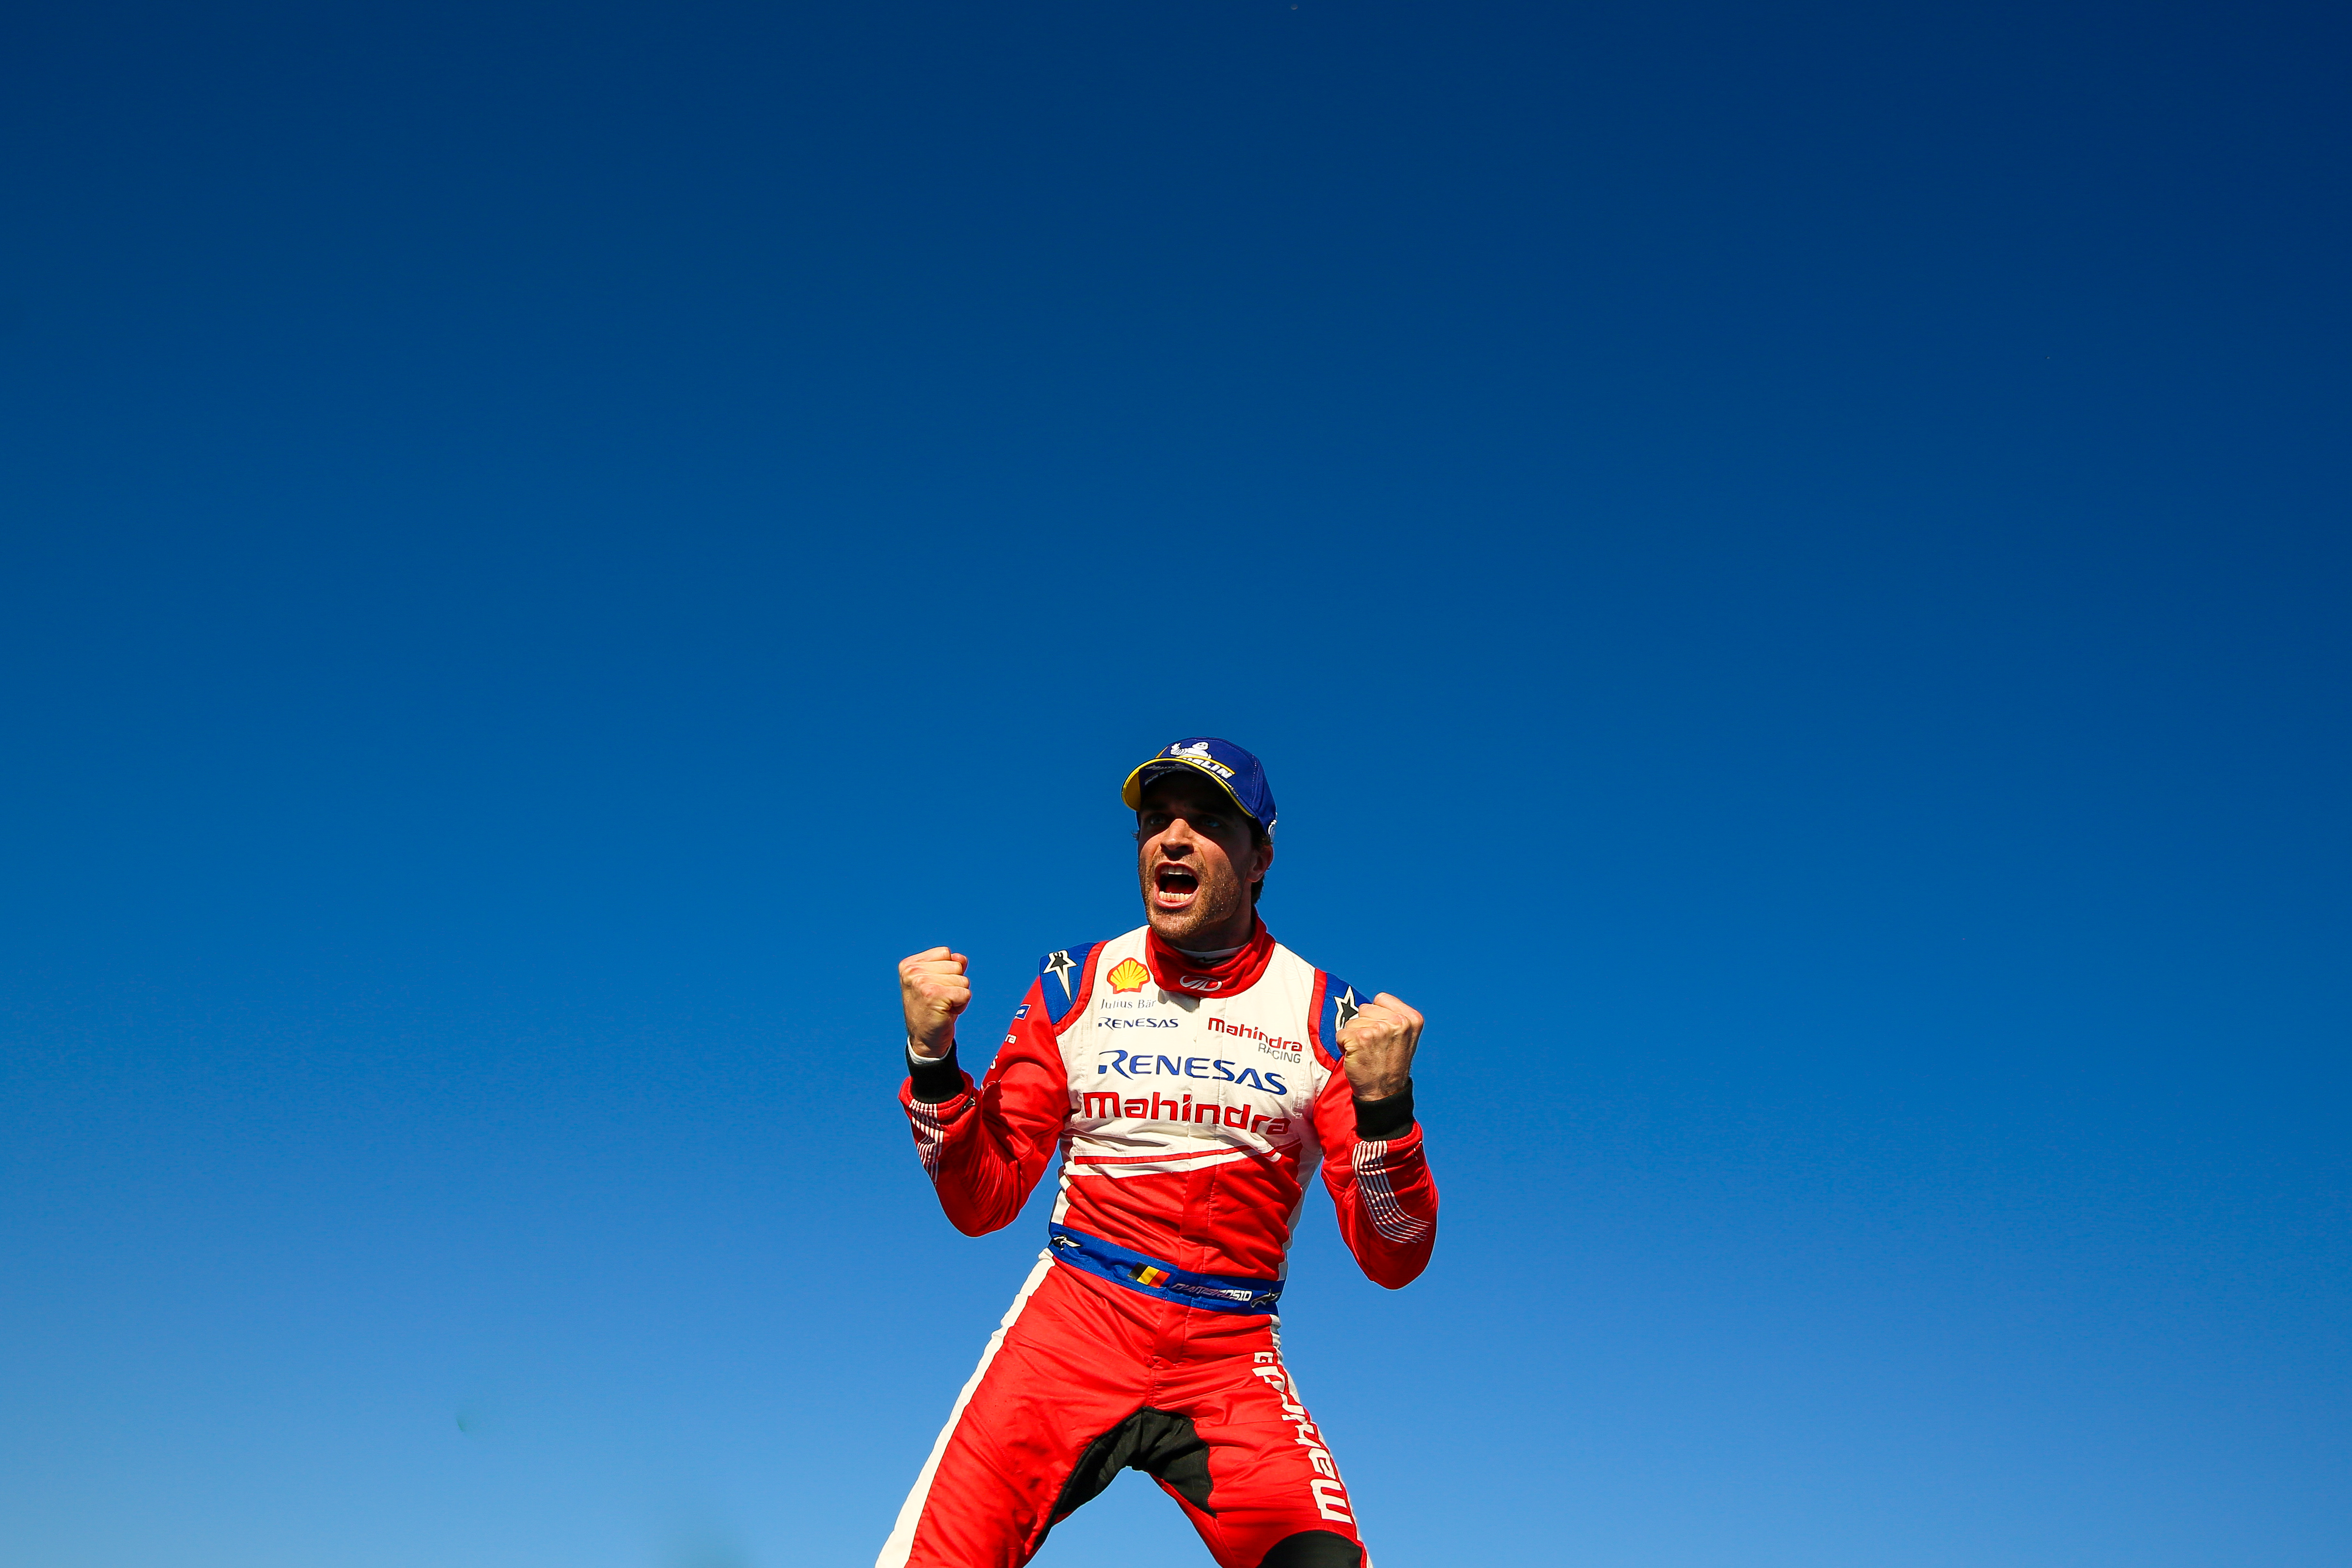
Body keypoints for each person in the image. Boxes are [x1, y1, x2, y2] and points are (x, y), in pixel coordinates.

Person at [877, 737, 1438, 1568]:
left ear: (1260, 860)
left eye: (1207, 821)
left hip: (1229, 1349)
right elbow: (982, 1198)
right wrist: (932, 1065)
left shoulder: (1329, 1017)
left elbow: (1395, 1255)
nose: (1171, 839)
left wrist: (1388, 1111)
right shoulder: (1078, 986)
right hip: (1074, 1323)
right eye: (1154, 822)